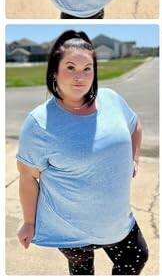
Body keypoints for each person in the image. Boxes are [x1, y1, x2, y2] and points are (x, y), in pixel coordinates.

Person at [16, 30, 148, 275]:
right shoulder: (39, 123)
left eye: (88, 68)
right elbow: (28, 177)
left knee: (136, 256)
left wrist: (134, 158)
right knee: (82, 269)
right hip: (69, 226)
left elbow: (135, 125)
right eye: (70, 67)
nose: (80, 77)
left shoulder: (112, 99)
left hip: (115, 219)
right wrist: (29, 223)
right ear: (54, 71)